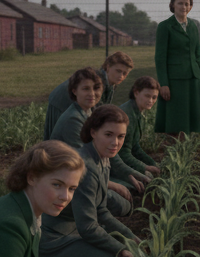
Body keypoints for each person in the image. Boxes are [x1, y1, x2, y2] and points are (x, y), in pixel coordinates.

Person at [40, 105, 140, 257]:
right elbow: (87, 226)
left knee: (120, 244)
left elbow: (101, 211)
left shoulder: (101, 159)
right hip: (52, 240)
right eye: (108, 134)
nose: (115, 142)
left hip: (72, 233)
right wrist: (121, 250)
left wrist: (131, 237)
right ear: (93, 132)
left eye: (120, 136)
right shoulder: (85, 167)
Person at [52, 67, 145, 215]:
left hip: (88, 174)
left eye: (96, 88)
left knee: (129, 189)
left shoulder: (90, 112)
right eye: (86, 89)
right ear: (74, 91)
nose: (92, 94)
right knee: (123, 205)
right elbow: (82, 164)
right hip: (70, 180)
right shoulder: (73, 119)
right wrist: (111, 185)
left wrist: (133, 175)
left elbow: (108, 157)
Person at [43, 51, 134, 140]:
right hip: (62, 101)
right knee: (60, 140)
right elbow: (98, 113)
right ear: (108, 67)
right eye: (118, 71)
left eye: (125, 73)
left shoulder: (110, 82)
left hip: (72, 102)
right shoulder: (99, 80)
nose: (121, 76)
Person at [155, 0, 200, 138]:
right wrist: (163, 83)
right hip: (174, 80)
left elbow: (197, 55)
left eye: (187, 4)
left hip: (193, 78)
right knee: (174, 117)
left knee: (190, 118)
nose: (183, 7)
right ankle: (172, 151)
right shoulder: (164, 26)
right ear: (173, 5)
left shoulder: (193, 27)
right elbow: (160, 58)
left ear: (190, 6)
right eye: (180, 3)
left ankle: (185, 151)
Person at [117, 76, 162, 179]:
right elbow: (123, 152)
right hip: (113, 162)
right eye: (147, 96)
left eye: (154, 97)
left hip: (122, 159)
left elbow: (135, 147)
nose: (151, 100)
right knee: (148, 178)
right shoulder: (128, 115)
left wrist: (152, 163)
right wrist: (144, 167)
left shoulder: (136, 111)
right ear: (136, 93)